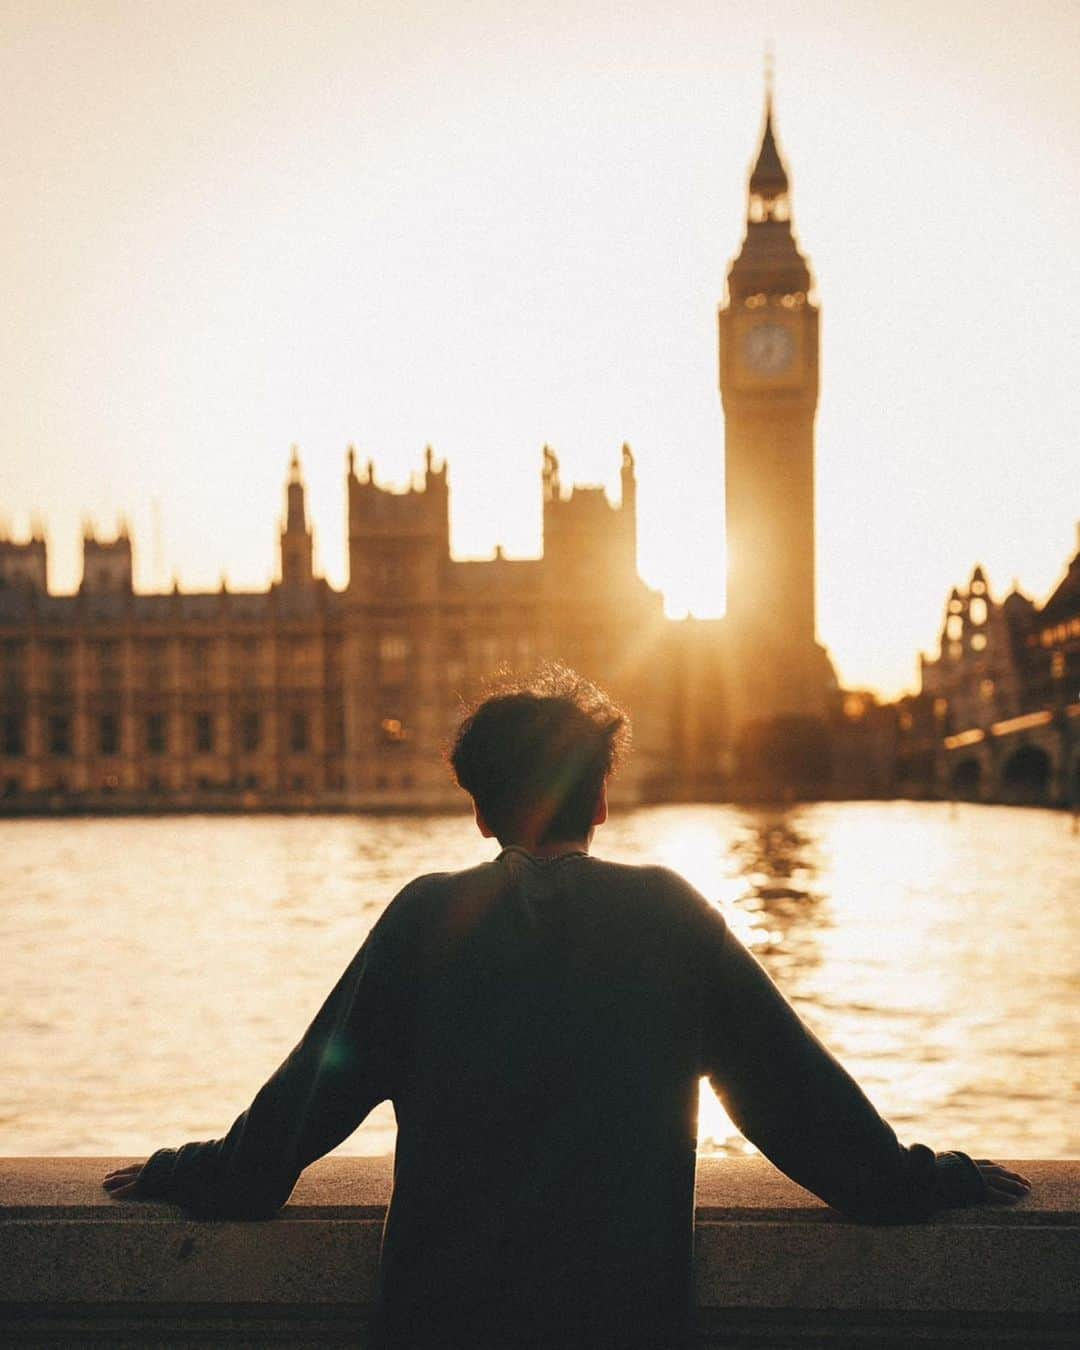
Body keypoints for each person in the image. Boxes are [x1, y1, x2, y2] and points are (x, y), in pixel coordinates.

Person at [104, 667, 1030, 1349]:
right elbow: (808, 1115)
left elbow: (290, 1125)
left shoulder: (426, 918)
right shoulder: (672, 913)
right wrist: (928, 1179)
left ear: (479, 812)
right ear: (602, 800)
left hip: (440, 1322)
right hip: (624, 1321)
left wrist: (186, 1170)